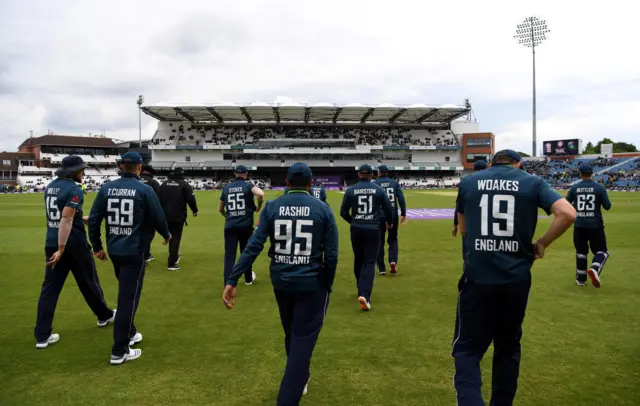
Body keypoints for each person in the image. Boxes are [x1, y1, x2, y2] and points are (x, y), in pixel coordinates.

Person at [452, 149, 576, 405]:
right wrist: (541, 243)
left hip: (478, 278)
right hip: (516, 279)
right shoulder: (532, 181)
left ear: (492, 163)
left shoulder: (469, 182)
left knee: (467, 350)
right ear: (519, 164)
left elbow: (463, 229)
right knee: (507, 349)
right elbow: (567, 213)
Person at [223, 163, 338, 405]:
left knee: (292, 333)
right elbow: (333, 253)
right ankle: (293, 386)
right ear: (310, 183)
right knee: (302, 340)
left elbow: (255, 244)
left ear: (286, 181)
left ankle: (300, 377)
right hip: (311, 282)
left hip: (281, 280)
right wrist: (327, 283)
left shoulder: (273, 206)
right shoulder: (323, 209)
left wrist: (233, 278)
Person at [88, 152, 171, 365]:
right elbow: (158, 215)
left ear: (120, 166)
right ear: (140, 168)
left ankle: (131, 332)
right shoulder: (144, 189)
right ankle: (120, 350)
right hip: (134, 250)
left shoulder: (106, 188)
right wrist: (166, 234)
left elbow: (95, 218)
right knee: (128, 299)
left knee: (127, 293)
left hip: (114, 249)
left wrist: (96, 246)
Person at [35, 155, 115, 349]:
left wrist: (85, 219)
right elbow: (66, 220)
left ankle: (42, 335)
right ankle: (104, 316)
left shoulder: (51, 186)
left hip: (52, 242)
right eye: (81, 170)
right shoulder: (74, 189)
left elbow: (67, 216)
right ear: (73, 172)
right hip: (73, 244)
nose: (84, 173)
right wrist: (62, 249)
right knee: (88, 281)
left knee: (50, 289)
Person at [340, 164, 393, 310]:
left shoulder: (351, 190)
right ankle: (365, 294)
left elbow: (343, 212)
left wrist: (354, 221)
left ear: (358, 175)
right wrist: (389, 223)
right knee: (369, 262)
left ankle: (360, 286)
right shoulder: (379, 190)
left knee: (358, 258)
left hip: (356, 228)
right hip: (373, 228)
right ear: (371, 175)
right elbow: (389, 209)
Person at [566, 164, 612, 287]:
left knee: (581, 252)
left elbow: (566, 205)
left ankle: (581, 280)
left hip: (579, 225)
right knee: (602, 251)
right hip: (595, 225)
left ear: (580, 174)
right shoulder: (599, 188)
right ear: (592, 173)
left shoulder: (574, 188)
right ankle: (595, 268)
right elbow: (607, 206)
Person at [218, 165, 264, 286]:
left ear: (234, 174)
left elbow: (220, 209)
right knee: (246, 253)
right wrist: (259, 206)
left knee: (229, 256)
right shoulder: (248, 186)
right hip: (245, 225)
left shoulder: (226, 188)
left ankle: (227, 283)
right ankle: (248, 279)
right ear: (246, 174)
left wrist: (227, 217)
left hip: (230, 226)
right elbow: (260, 193)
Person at [159, 167, 198, 271]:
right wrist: (195, 210)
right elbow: (190, 198)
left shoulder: (164, 184)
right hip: (178, 216)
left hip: (165, 216)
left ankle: (174, 256)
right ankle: (171, 263)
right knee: (175, 239)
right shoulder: (184, 184)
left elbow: (158, 199)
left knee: (170, 237)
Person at [374, 165, 407, 275]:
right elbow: (401, 198)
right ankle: (393, 261)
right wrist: (403, 213)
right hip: (392, 215)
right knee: (393, 239)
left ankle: (381, 268)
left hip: (379, 216)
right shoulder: (394, 183)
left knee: (380, 241)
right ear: (387, 172)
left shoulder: (374, 184)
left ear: (379, 172)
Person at [452, 160, 488, 257]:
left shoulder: (466, 181)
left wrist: (455, 224)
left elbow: (459, 205)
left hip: (471, 224)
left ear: (473, 168)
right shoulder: (494, 181)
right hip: (490, 224)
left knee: (469, 255)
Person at [140, 164, 161, 263]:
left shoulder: (135, 181)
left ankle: (145, 254)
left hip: (133, 214)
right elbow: (158, 200)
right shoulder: (153, 182)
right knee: (148, 235)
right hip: (148, 214)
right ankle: (144, 255)